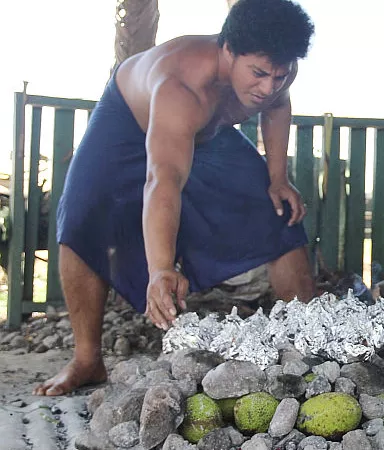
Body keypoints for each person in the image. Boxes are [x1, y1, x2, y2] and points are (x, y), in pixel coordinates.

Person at [33, 0, 316, 397]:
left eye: (279, 75)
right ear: (229, 50)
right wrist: (161, 269)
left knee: (277, 209)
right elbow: (164, 180)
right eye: (259, 74)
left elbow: (279, 105)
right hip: (129, 121)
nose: (268, 86)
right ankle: (87, 360)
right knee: (82, 216)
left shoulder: (277, 70)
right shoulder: (180, 87)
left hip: (207, 131)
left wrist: (277, 177)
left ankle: (314, 339)